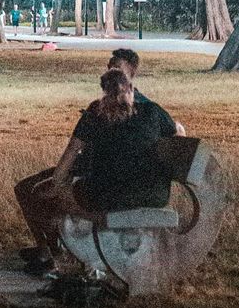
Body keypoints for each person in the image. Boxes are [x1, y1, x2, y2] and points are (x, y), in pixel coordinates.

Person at [14, 48, 184, 271]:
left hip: (107, 191)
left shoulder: (98, 110)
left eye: (117, 68)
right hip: (154, 193)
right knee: (38, 192)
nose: (112, 71)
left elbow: (73, 152)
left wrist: (59, 183)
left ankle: (57, 256)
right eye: (110, 67)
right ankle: (54, 253)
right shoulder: (152, 111)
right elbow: (177, 137)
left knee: (43, 196)